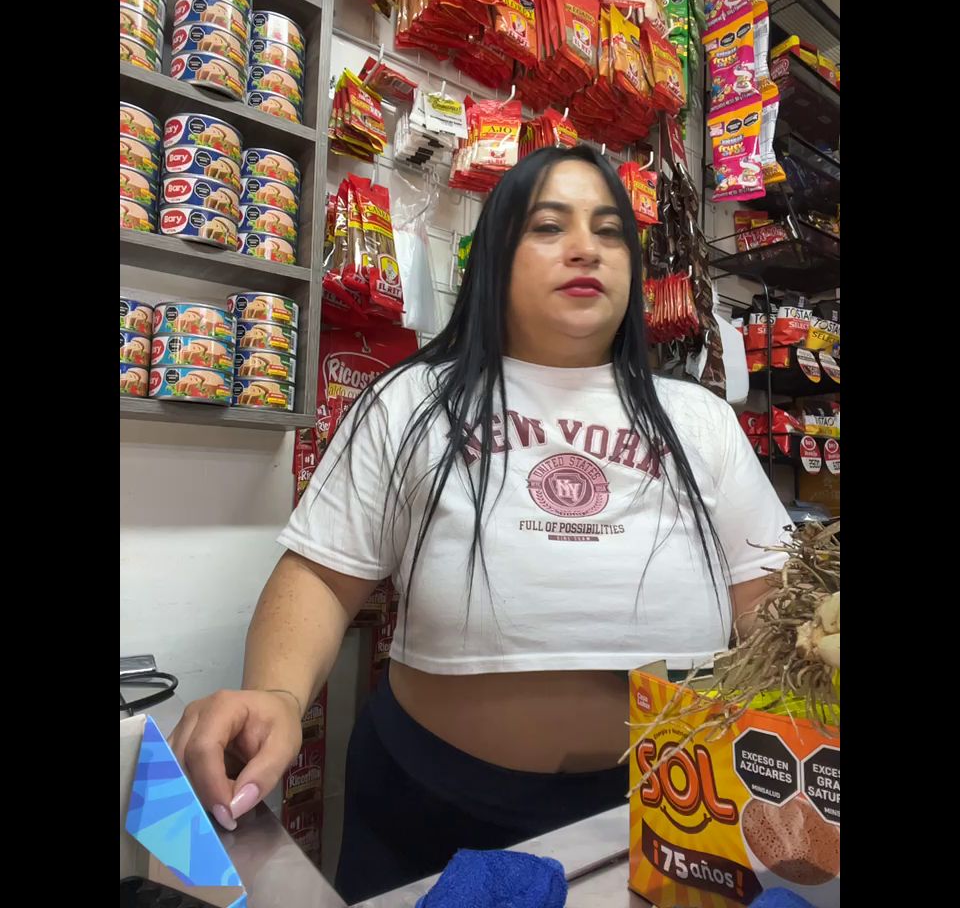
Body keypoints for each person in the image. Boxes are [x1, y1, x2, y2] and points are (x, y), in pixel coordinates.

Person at [170, 145, 790, 902]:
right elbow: (323, 577)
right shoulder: (411, 400)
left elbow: (766, 599)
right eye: (548, 227)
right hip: (431, 809)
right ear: (495, 255)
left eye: (609, 231)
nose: (586, 248)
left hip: (673, 805)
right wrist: (276, 693)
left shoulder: (701, 419)